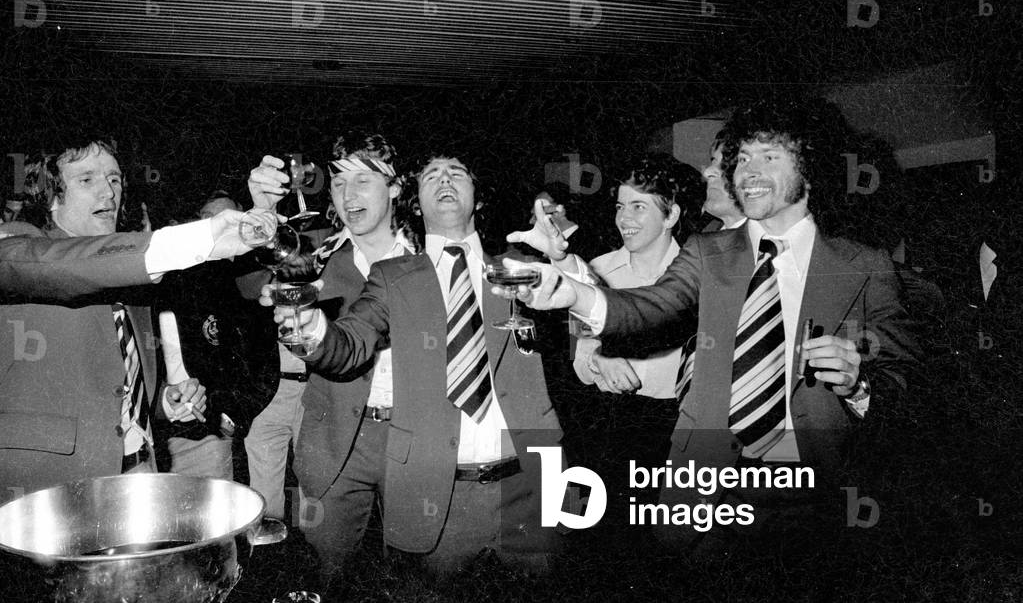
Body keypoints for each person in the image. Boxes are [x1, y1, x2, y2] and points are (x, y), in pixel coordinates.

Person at [503, 98, 921, 546]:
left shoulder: (864, 265)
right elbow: (653, 307)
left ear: (809, 169)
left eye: (769, 156)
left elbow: (910, 389)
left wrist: (860, 385)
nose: (748, 171)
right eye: (742, 158)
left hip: (813, 494)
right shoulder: (708, 252)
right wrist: (577, 294)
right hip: (704, 491)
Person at [268, 153, 563, 574]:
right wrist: (313, 326)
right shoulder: (394, 277)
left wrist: (565, 263)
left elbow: (593, 323)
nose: (445, 180)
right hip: (440, 493)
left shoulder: (520, 269)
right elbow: (348, 345)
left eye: (457, 173)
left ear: (477, 197)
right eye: (431, 177)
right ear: (416, 202)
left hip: (530, 483)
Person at [0, 139, 260, 501]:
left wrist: (164, 403)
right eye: (86, 180)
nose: (108, 192)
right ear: (50, 194)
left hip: (139, 468)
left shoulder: (132, 285)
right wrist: (200, 238)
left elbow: (114, 389)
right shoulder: (20, 244)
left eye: (115, 179)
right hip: (50, 485)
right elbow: (57, 264)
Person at [246, 132, 416, 586]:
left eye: (362, 180)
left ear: (396, 187)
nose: (347, 195)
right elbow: (253, 280)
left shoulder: (430, 259)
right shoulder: (317, 258)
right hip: (334, 439)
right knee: (327, 574)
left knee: (412, 578)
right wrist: (262, 213)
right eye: (339, 183)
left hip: (417, 441)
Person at [570, 155, 703, 512]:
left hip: (681, 426)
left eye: (639, 207)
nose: (624, 219)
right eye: (620, 206)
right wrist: (599, 358)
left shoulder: (701, 274)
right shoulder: (599, 270)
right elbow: (580, 362)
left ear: (671, 215)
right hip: (613, 424)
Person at [152, 191, 279, 481]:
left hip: (205, 436)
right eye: (209, 219)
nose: (219, 227)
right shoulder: (170, 275)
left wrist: (232, 415)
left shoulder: (243, 286)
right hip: (154, 429)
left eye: (227, 219)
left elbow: (264, 361)